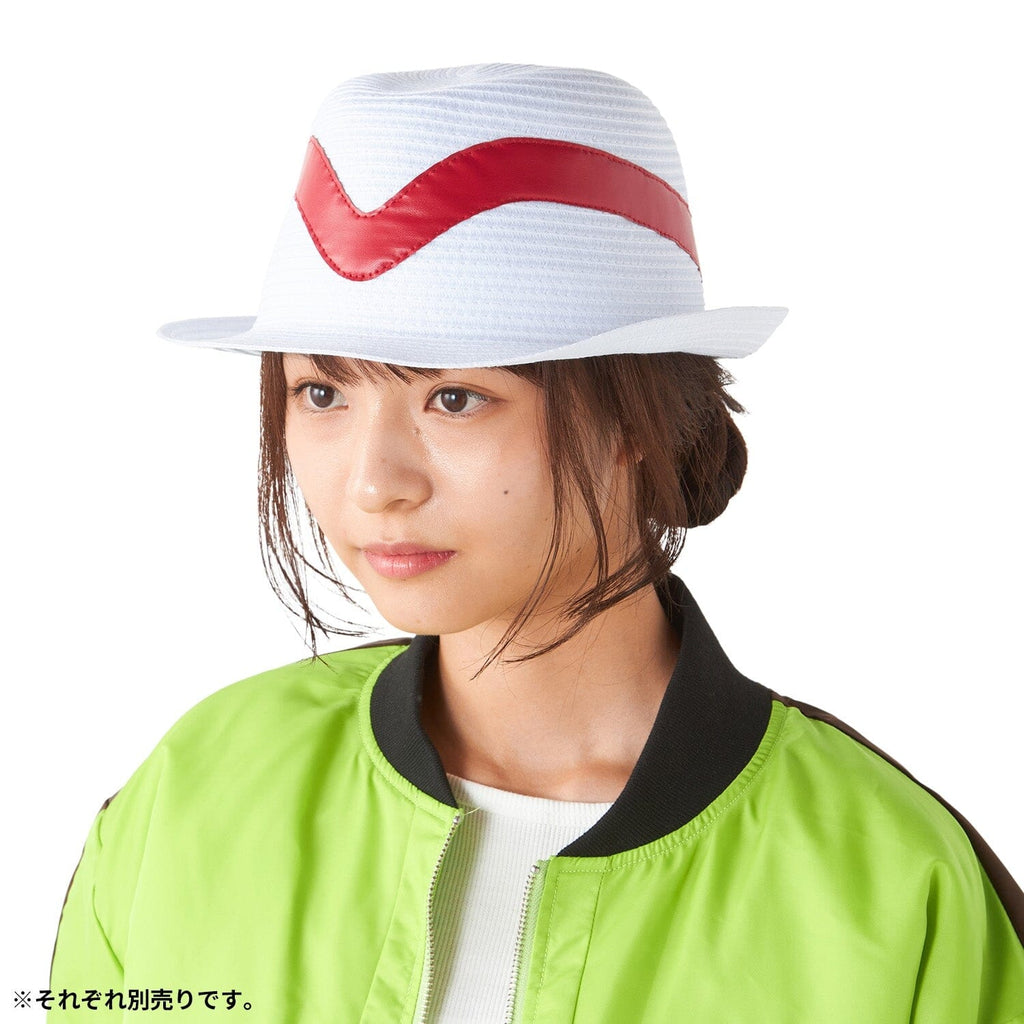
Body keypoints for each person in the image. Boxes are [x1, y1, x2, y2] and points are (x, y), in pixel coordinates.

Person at [49, 64, 1024, 1022]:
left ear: (637, 417)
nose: (375, 483)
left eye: (454, 398)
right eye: (322, 391)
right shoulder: (200, 784)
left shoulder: (892, 883)